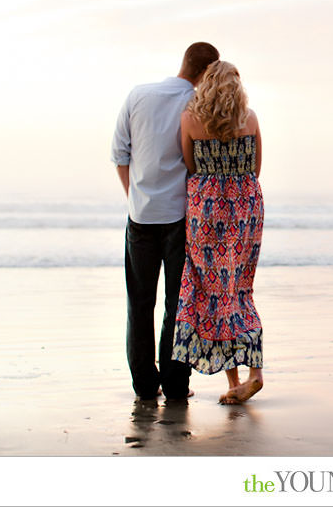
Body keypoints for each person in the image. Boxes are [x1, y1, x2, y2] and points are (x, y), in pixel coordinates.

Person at [110, 41, 220, 401]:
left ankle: (144, 385)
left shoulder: (138, 95)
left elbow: (120, 154)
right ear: (205, 73)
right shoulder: (198, 106)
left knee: (139, 303)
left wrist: (135, 198)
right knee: (178, 303)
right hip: (179, 218)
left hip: (140, 216)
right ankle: (175, 385)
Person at [171, 60, 265, 404]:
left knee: (212, 290)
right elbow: (256, 168)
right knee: (239, 288)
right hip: (245, 207)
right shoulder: (250, 118)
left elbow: (190, 165)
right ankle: (252, 375)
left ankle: (235, 378)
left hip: (206, 209)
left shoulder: (191, 119)